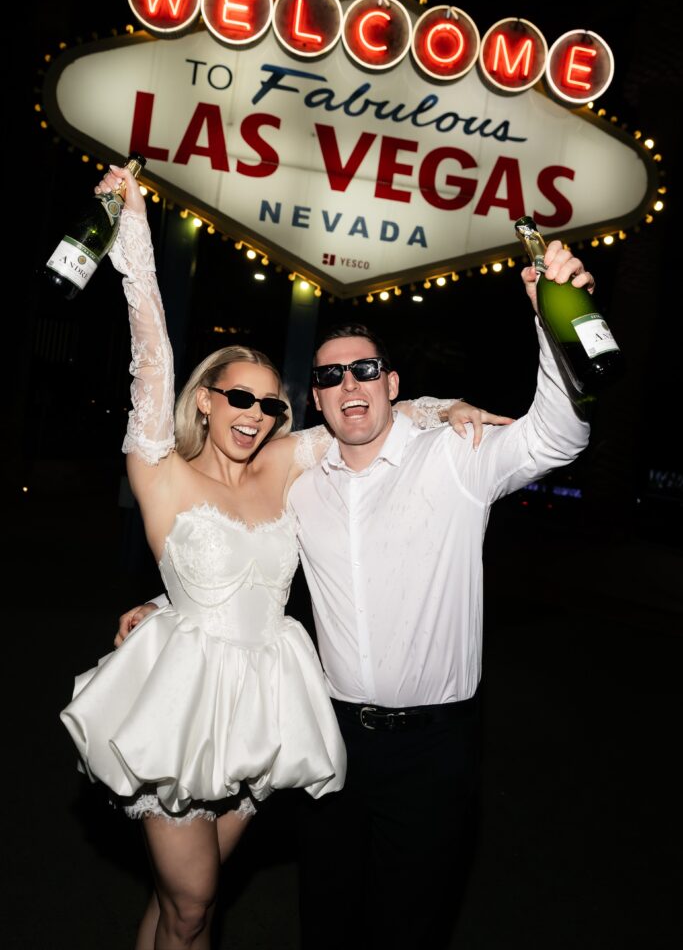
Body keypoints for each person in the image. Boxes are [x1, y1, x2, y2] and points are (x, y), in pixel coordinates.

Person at [61, 164, 508, 950]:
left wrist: (439, 406)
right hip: (181, 709)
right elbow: (152, 352)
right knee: (196, 901)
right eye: (238, 397)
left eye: (271, 403)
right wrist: (132, 228)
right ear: (205, 398)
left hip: (263, 713)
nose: (256, 414)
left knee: (181, 909)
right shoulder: (160, 472)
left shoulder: (282, 468)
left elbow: (364, 411)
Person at [125, 227, 593, 949]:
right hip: (329, 734)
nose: (348, 386)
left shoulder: (454, 460)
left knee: (408, 926)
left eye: (366, 371)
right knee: (323, 916)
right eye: (329, 377)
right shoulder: (300, 476)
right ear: (313, 397)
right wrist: (165, 606)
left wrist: (549, 320)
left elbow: (556, 438)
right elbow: (226, 551)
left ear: (391, 382)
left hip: (432, 745)